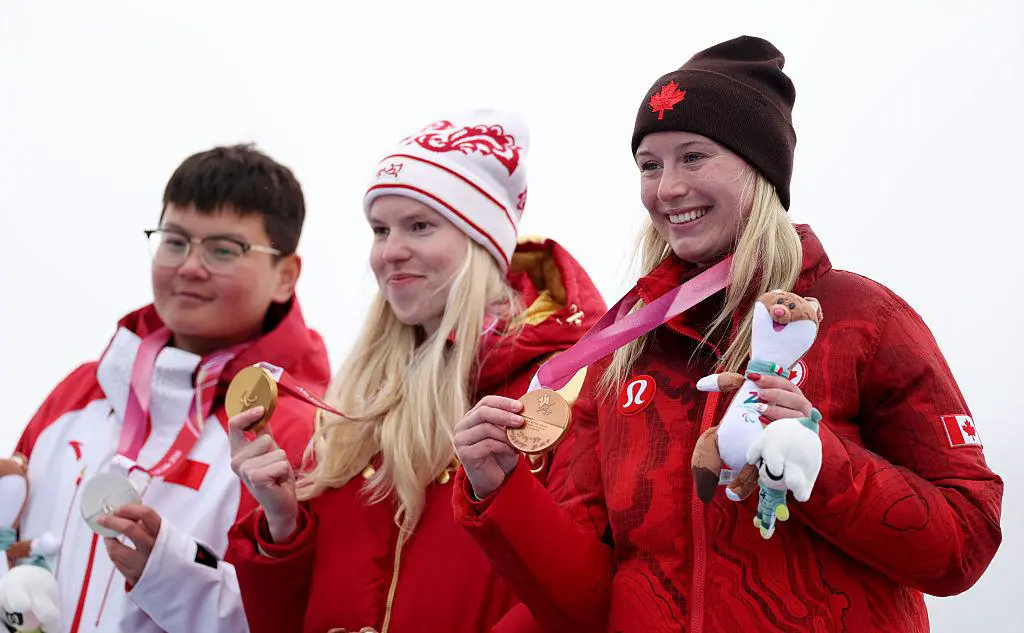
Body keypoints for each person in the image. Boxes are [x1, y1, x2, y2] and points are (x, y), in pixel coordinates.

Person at [452, 36, 1003, 633]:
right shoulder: (624, 353)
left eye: (692, 157)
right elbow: (584, 605)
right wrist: (502, 489)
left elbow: (965, 541)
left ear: (759, 167)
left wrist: (822, 463)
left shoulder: (862, 319)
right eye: (650, 165)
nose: (667, 189)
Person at [226, 110, 606, 633]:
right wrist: (282, 524)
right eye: (380, 229)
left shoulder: (566, 386)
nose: (390, 251)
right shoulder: (356, 396)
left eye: (420, 226)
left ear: (482, 244)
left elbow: (580, 601)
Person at [8, 145, 330, 632]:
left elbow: (294, 615)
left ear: (286, 276)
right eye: (175, 241)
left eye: (223, 250)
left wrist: (169, 573)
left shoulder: (300, 435)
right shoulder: (79, 394)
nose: (190, 266)